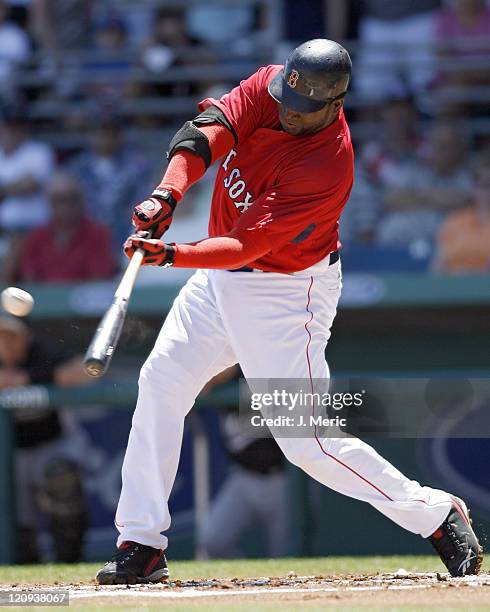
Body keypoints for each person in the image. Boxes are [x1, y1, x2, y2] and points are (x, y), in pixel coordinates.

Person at [95, 39, 483, 584]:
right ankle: (142, 541)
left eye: (301, 110)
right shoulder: (273, 84)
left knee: (306, 442)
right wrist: (167, 194)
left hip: (283, 292)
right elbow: (203, 133)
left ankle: (437, 516)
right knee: (160, 384)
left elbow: (247, 246)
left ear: (334, 102)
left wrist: (171, 255)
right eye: (284, 100)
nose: (286, 112)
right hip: (219, 281)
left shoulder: (329, 162)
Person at [0, 314, 89, 563]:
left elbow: (87, 371)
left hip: (53, 443)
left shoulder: (41, 352)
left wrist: (29, 379)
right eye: (1, 336)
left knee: (62, 477)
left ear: (26, 337)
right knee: (19, 533)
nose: (5, 343)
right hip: (10, 455)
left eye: (12, 336)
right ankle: (25, 573)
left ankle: (69, 562)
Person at [197, 366, 288, 559]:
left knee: (286, 554)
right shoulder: (218, 381)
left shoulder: (254, 369)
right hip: (244, 478)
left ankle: (281, 588)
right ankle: (251, 583)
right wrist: (202, 381)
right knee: (212, 540)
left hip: (283, 480)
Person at [18, 171, 116, 283]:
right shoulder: (35, 238)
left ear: (81, 201)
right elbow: (30, 283)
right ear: (50, 203)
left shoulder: (98, 235)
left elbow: (99, 281)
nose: (66, 206)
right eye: (59, 200)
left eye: (71, 199)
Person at [433, 149, 490, 273]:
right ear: (474, 188)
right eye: (485, 185)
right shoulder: (453, 222)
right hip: (453, 289)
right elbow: (437, 267)